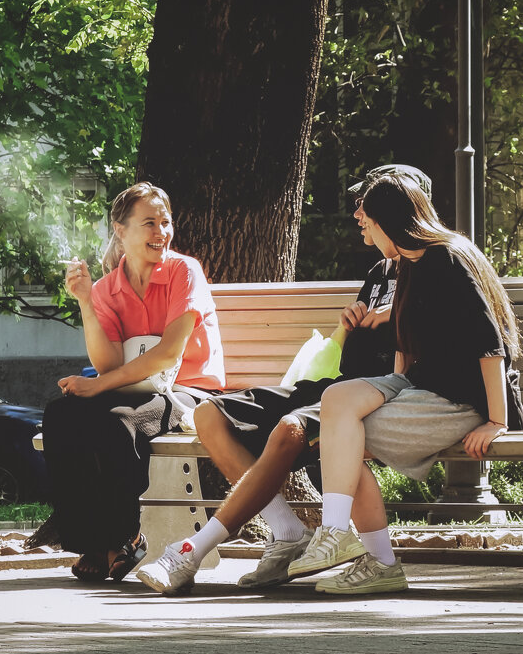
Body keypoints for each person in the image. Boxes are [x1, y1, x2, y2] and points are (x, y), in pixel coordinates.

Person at [137, 165, 432, 595]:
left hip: (369, 398)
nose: (357, 213)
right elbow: (356, 349)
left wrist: (390, 322)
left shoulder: (426, 269)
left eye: (365, 204)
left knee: (290, 428)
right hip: (333, 386)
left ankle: (190, 551)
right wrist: (352, 324)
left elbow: (423, 350)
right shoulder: (379, 274)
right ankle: (287, 531)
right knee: (208, 416)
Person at [285, 171, 521, 595]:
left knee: (340, 441)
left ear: (390, 224)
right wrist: (389, 384)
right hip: (420, 384)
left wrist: (496, 421)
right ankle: (338, 536)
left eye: (369, 226)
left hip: (462, 399)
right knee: (336, 401)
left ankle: (376, 559)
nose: (367, 235)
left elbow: (492, 344)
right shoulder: (411, 261)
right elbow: (407, 342)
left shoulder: (447, 258)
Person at [45, 182, 225, 582]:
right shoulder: (109, 288)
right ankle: (89, 539)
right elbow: (108, 363)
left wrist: (96, 386)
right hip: (134, 388)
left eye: (165, 222)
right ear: (121, 230)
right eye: (149, 223)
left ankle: (125, 535)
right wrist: (87, 305)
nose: (161, 232)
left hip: (189, 390)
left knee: (117, 420)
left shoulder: (184, 271)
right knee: (60, 415)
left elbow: (168, 355)